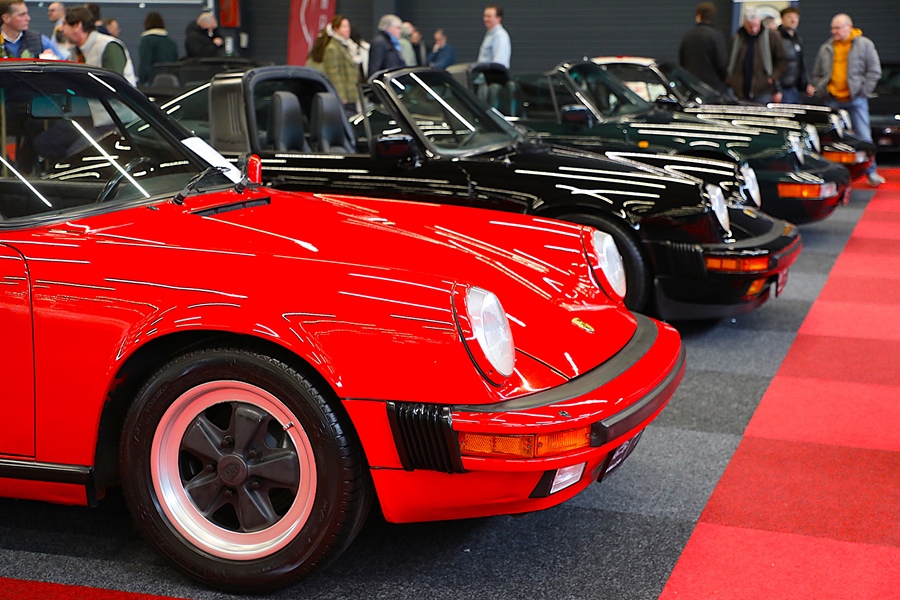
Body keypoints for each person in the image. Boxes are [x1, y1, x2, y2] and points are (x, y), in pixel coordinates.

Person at [811, 13, 883, 186]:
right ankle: (835, 176)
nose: (833, 32)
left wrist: (864, 91)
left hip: (856, 100)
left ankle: (871, 172)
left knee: (864, 137)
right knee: (832, 141)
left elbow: (874, 70)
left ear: (848, 27)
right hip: (832, 100)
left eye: (837, 28)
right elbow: (817, 73)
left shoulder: (865, 45)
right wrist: (821, 88)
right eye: (832, 28)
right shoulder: (826, 47)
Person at [61, 6, 136, 85]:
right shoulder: (75, 51)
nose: (61, 29)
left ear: (77, 25)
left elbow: (115, 84)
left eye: (64, 24)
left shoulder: (109, 46)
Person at [726, 9, 787, 103]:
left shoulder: (771, 36)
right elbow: (730, 60)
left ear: (760, 22)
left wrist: (773, 77)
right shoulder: (737, 38)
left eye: (756, 25)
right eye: (750, 26)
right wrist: (731, 80)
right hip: (740, 90)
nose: (753, 29)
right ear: (744, 24)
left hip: (764, 89)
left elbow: (783, 60)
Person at [307, 15, 362, 113]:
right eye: (344, 26)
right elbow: (333, 73)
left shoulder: (347, 46)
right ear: (336, 29)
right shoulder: (332, 48)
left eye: (348, 26)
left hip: (350, 93)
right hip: (344, 96)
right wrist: (341, 96)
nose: (348, 29)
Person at [678, 2, 728, 93]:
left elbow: (682, 61)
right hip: (712, 88)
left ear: (699, 16)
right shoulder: (716, 36)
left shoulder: (688, 35)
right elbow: (721, 63)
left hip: (691, 86)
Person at [775, 7, 814, 104]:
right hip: (782, 89)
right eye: (789, 17)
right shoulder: (776, 39)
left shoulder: (797, 39)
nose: (793, 20)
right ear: (782, 19)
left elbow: (800, 65)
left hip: (795, 89)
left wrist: (806, 84)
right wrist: (776, 89)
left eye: (796, 17)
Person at [138, 12, 178, 85]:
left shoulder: (147, 41)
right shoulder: (171, 42)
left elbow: (145, 63)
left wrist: (141, 81)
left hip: (153, 82)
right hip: (171, 82)